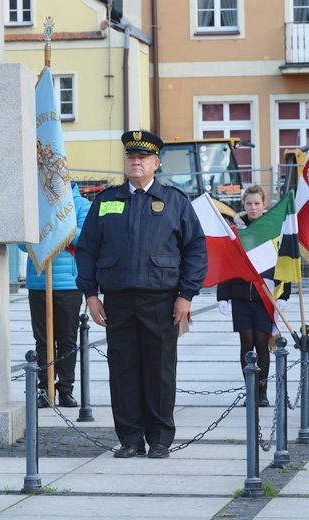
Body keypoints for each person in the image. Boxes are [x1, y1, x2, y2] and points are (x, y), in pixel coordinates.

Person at [76, 130, 207, 459]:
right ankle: (130, 438)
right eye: (131, 157)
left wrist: (186, 295)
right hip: (117, 301)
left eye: (143, 157)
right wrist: (91, 294)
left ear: (156, 163)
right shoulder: (106, 201)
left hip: (161, 300)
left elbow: (195, 250)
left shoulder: (175, 201)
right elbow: (88, 250)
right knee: (123, 370)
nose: (136, 162)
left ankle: (160, 438)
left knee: (159, 370)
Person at [19, 182, 90, 408]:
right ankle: (44, 388)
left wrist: (61, 226)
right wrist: (42, 226)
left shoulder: (81, 205)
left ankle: (65, 389)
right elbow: (22, 244)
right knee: (43, 340)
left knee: (67, 339)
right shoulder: (35, 204)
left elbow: (86, 239)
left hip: (69, 283)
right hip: (39, 281)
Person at [217, 185, 288, 407]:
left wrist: (284, 294)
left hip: (263, 297)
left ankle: (262, 392)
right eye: (249, 203)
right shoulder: (235, 232)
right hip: (240, 298)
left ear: (264, 204)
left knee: (261, 343)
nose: (253, 207)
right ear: (243, 205)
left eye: (257, 203)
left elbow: (284, 262)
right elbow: (226, 264)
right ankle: (251, 391)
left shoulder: (272, 230)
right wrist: (222, 296)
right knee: (246, 344)